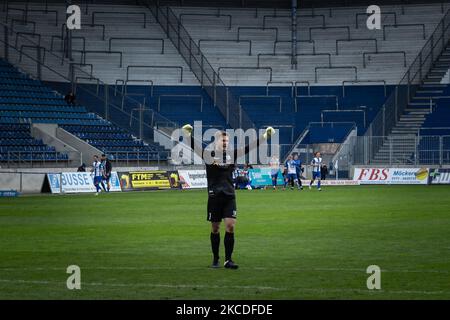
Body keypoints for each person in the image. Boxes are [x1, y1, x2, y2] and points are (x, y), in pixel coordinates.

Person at [182, 124, 275, 269]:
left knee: (230, 226)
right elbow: (196, 147)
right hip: (214, 196)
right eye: (222, 141)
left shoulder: (232, 154)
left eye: (227, 141)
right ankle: (215, 258)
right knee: (215, 228)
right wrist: (187, 136)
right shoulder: (208, 155)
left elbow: (249, 147)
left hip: (229, 195)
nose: (225, 143)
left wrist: (265, 137)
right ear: (216, 142)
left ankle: (228, 260)